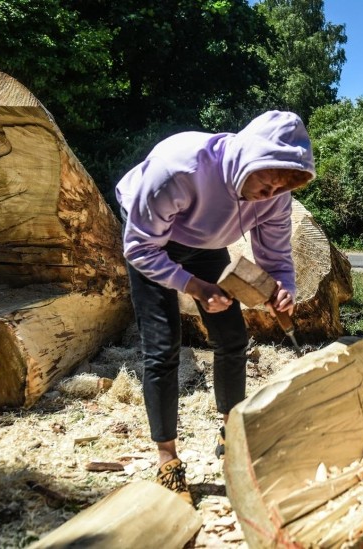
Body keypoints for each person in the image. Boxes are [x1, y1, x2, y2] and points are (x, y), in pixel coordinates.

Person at [116, 110, 316, 504]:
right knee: (162, 347)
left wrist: (284, 289)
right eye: (266, 178)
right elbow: (139, 247)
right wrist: (194, 286)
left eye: (281, 186)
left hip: (205, 243)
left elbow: (274, 257)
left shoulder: (275, 196)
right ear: (248, 156)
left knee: (232, 339)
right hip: (153, 240)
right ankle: (167, 459)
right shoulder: (180, 167)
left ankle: (232, 430)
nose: (269, 192)